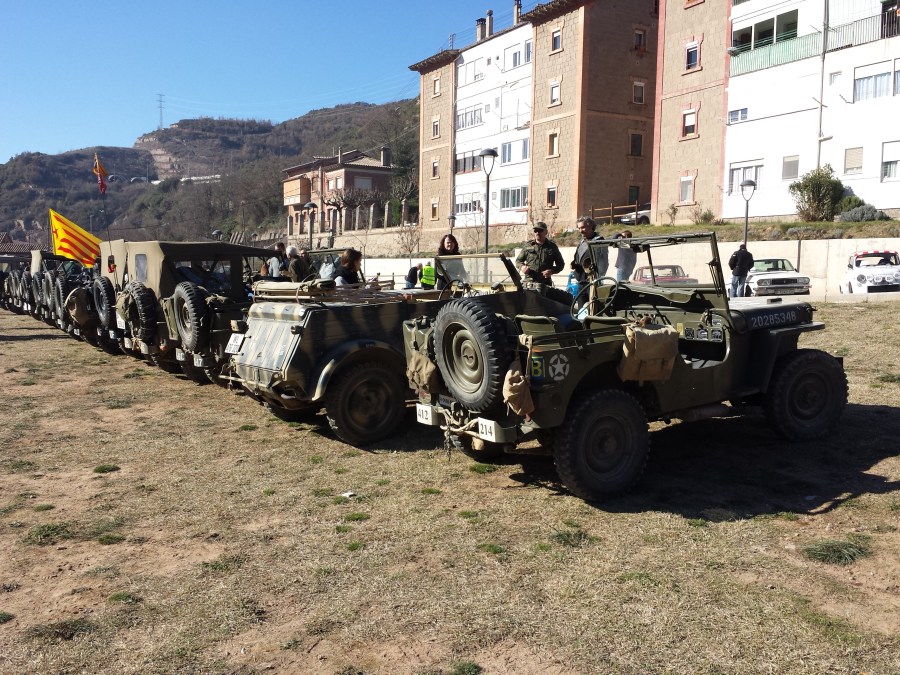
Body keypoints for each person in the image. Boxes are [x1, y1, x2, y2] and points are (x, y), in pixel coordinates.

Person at [571, 216, 603, 292]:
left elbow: (603, 262)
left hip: (592, 282)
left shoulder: (599, 241)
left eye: (583, 228)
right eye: (579, 228)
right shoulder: (582, 241)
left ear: (591, 226)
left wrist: (596, 277)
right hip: (581, 281)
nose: (580, 231)